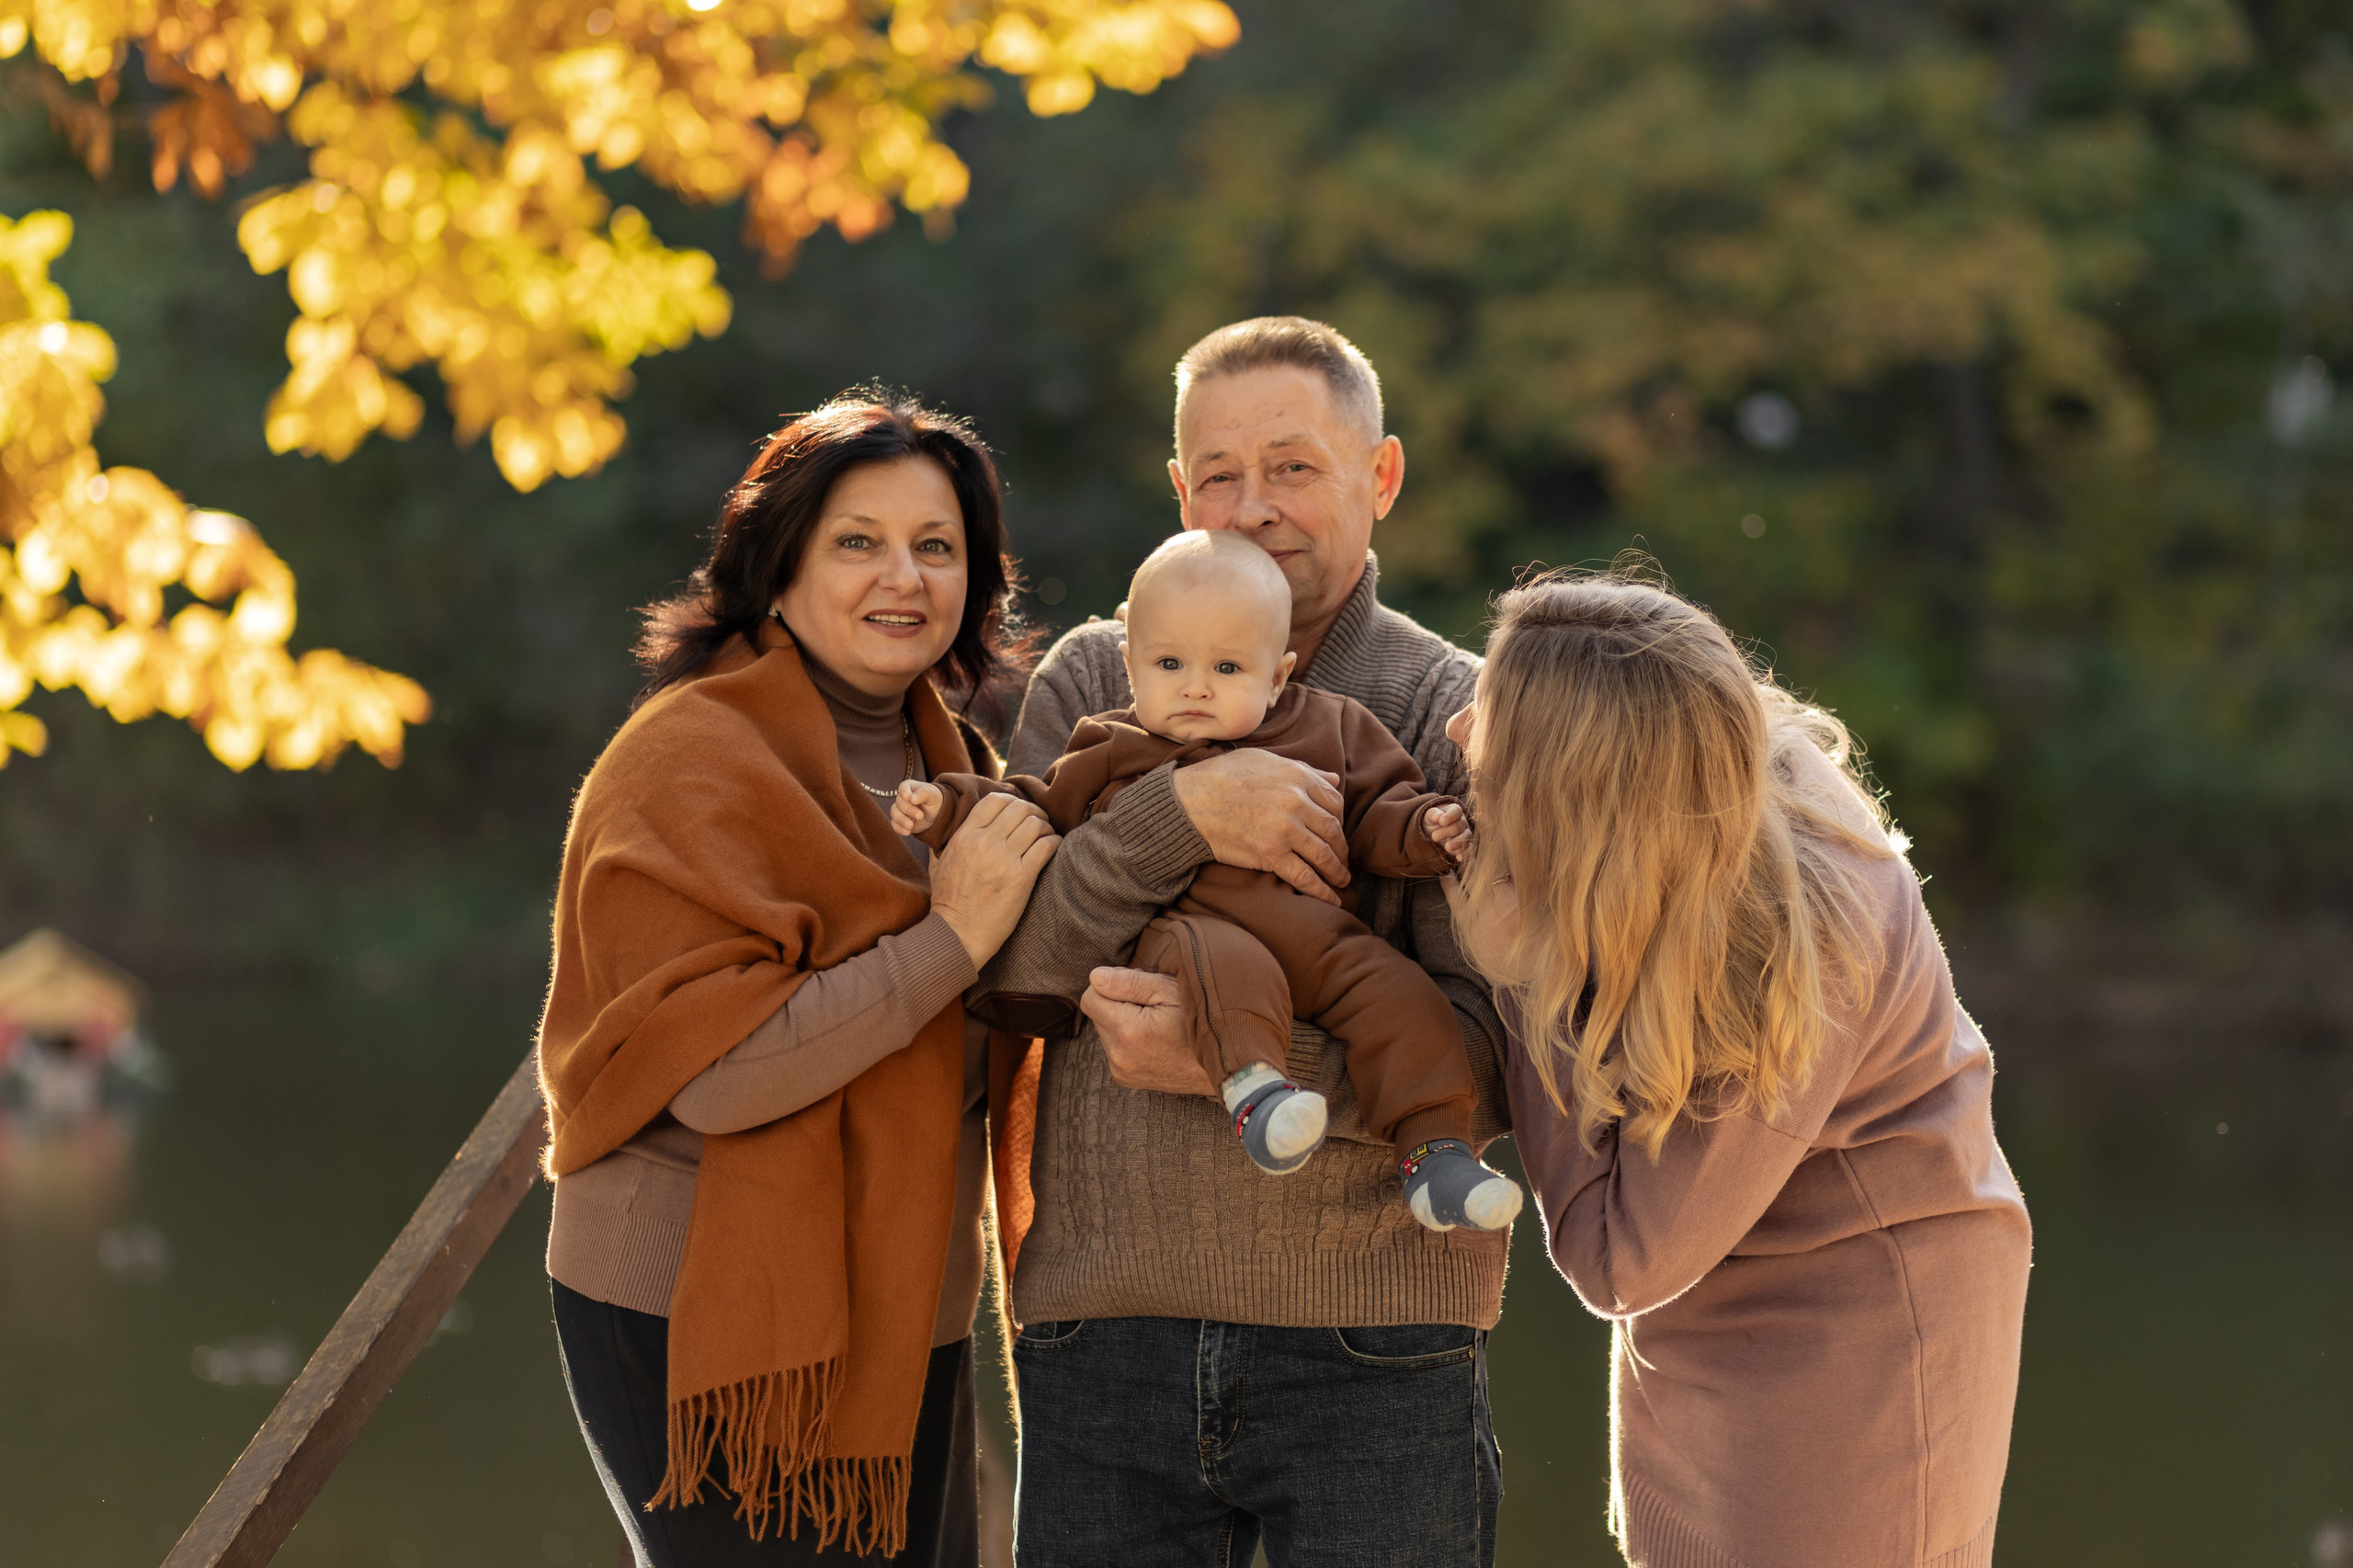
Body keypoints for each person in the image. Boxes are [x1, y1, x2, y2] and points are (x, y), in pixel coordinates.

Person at [981, 318, 1511, 1567]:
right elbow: (1006, 976)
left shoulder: (1452, 709)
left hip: (1377, 1346)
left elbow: (1492, 1056)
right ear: (1177, 489)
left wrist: (1247, 1069)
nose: (1251, 504)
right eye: (1216, 472)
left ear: (1378, 478)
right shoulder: (1096, 678)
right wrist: (1175, 816)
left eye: (1293, 466)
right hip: (1103, 1331)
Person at [534, 392, 1059, 1566]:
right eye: (856, 541)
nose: (904, 576)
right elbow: (716, 1072)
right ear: (775, 568)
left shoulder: (955, 765)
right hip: (691, 1302)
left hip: (900, 1296)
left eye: (938, 547)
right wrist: (951, 939)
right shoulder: (686, 762)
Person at [1451, 573, 2032, 1568]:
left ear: (1585, 792)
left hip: (1862, 1327)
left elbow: (1618, 1259)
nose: (1462, 730)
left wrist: (1515, 973)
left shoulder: (1801, 939)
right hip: (1710, 1284)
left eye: (1496, 722)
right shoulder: (1678, 828)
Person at [892, 530, 1518, 1230]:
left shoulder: (1335, 728)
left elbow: (1376, 811)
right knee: (1227, 968)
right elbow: (1032, 810)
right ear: (1129, 665)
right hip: (1188, 931)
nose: (1195, 687)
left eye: (1227, 667)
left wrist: (1425, 830)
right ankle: (1257, 1092)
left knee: (1401, 996)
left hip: (1322, 937)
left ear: (1276, 678)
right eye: (1169, 663)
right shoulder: (1109, 745)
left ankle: (1436, 1157)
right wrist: (949, 805)